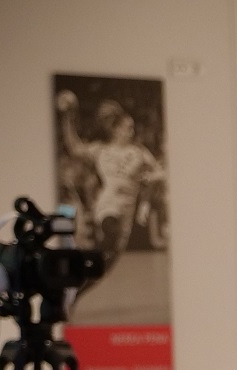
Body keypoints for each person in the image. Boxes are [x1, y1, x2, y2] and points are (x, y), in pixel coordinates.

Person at [55, 91, 165, 264]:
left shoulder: (139, 152)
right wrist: (68, 118)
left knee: (113, 256)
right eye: (128, 127)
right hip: (107, 204)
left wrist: (151, 180)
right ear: (116, 129)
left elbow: (161, 173)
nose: (132, 131)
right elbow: (75, 148)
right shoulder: (102, 150)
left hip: (127, 211)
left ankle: (90, 270)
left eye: (132, 127)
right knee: (109, 227)